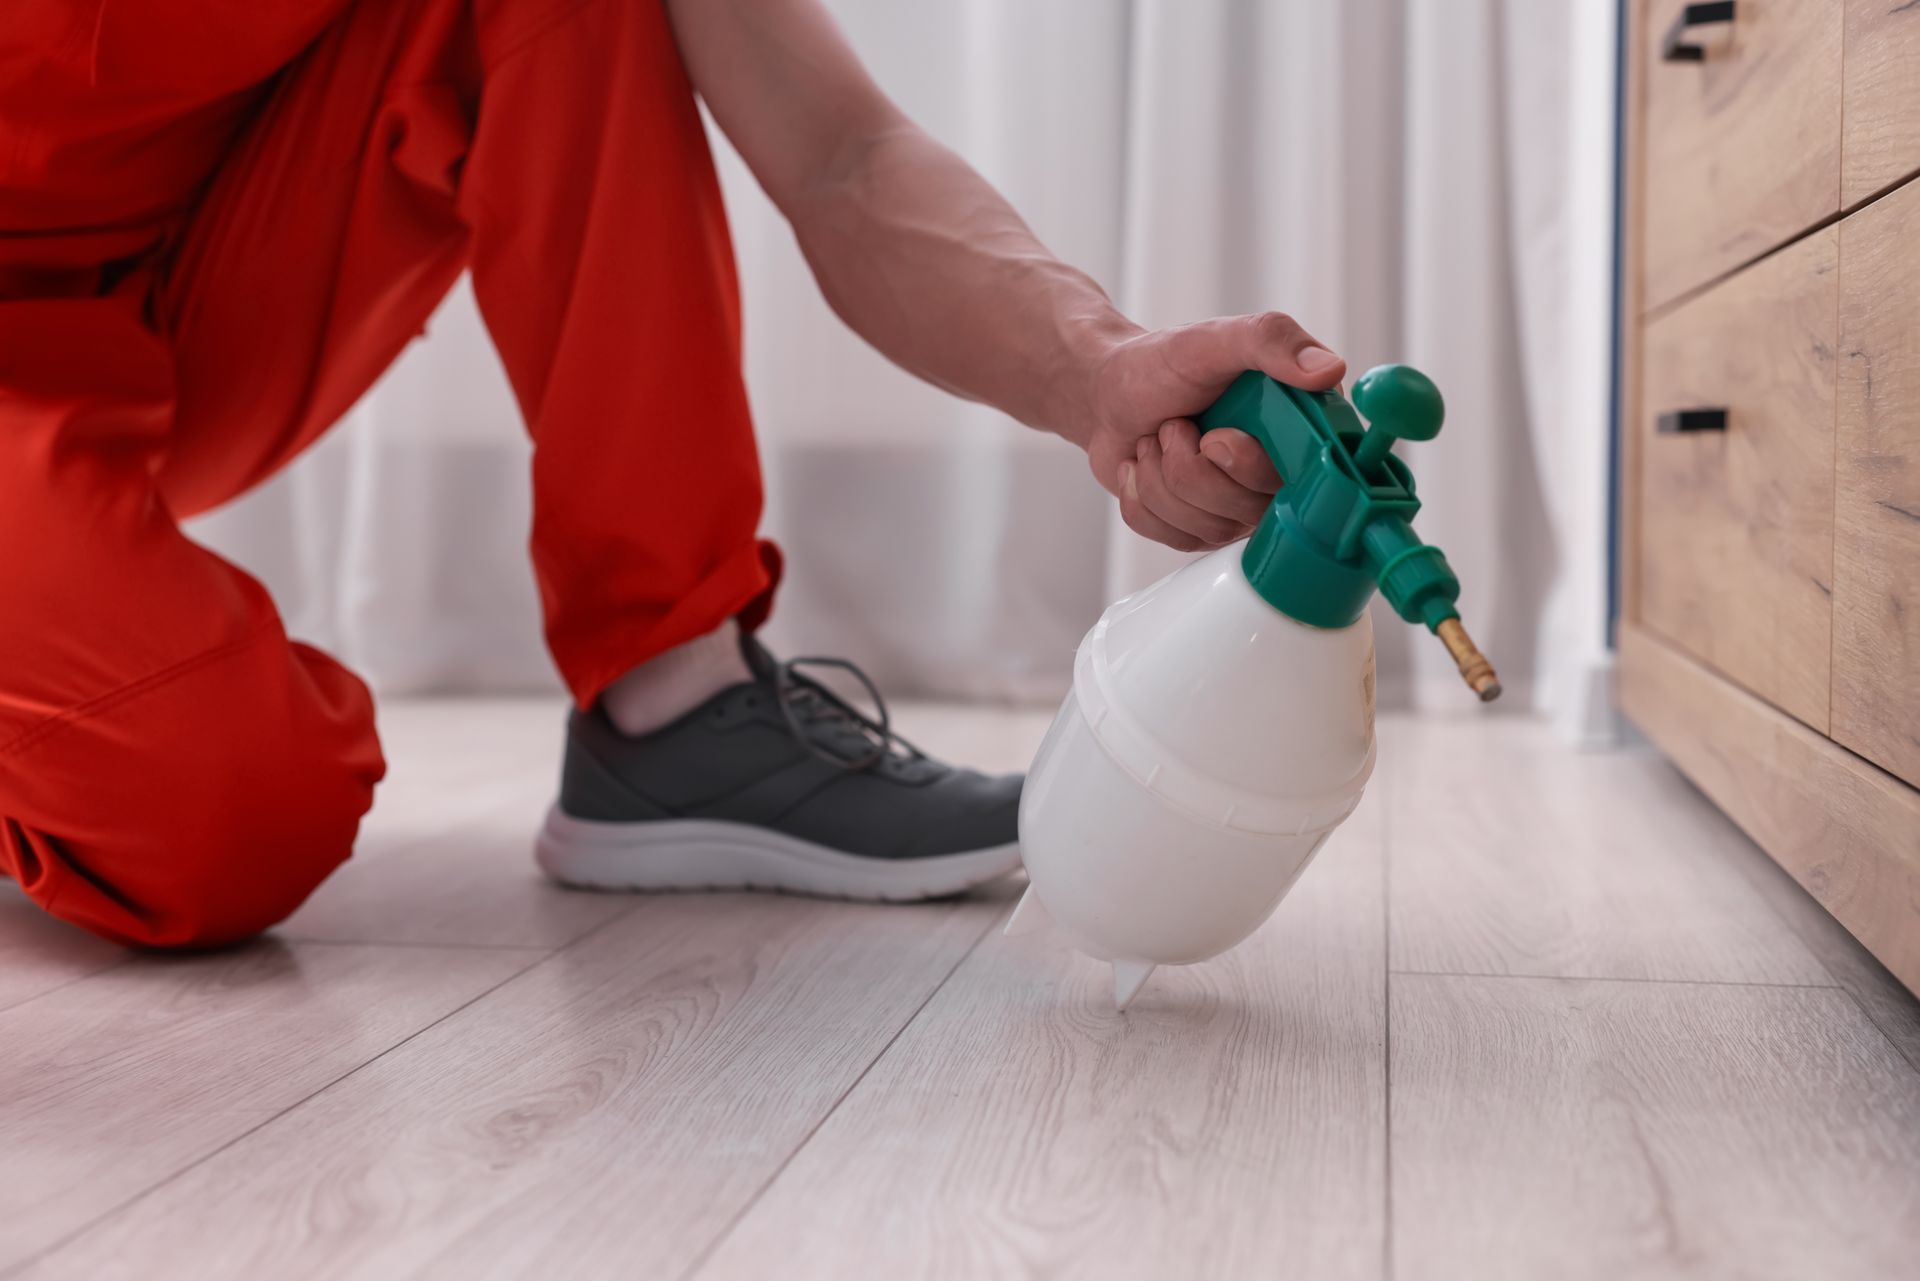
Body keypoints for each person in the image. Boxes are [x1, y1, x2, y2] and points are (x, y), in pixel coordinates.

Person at [0, 0, 1348, 948]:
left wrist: (1100, 371)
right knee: (231, 809)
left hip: (171, 307)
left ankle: (674, 698)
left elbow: (842, 154)